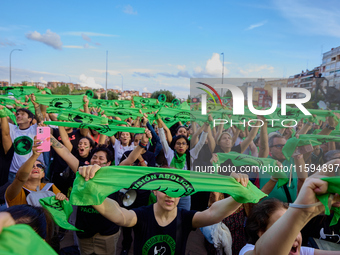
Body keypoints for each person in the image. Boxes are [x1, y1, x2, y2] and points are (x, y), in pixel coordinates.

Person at [77, 164, 250, 255]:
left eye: (176, 190)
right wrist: (90, 186)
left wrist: (237, 194)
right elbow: (119, 214)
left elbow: (212, 213)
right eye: (163, 189)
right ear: (154, 190)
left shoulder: (186, 218)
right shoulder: (142, 216)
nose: (170, 195)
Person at [239, 176, 340, 255]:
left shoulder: (302, 252)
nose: (293, 234)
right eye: (283, 226)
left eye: (297, 227)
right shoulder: (248, 250)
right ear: (262, 233)